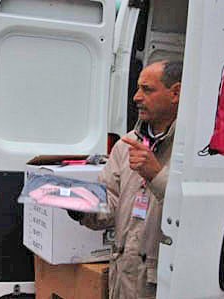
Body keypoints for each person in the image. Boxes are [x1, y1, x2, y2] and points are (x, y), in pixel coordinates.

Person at [69, 60, 183, 299]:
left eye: (147, 89)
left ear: (176, 93)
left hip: (162, 284)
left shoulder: (195, 148)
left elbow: (198, 215)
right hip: (123, 280)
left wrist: (156, 175)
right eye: (138, 89)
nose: (136, 97)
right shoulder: (126, 144)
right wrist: (81, 207)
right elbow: (110, 204)